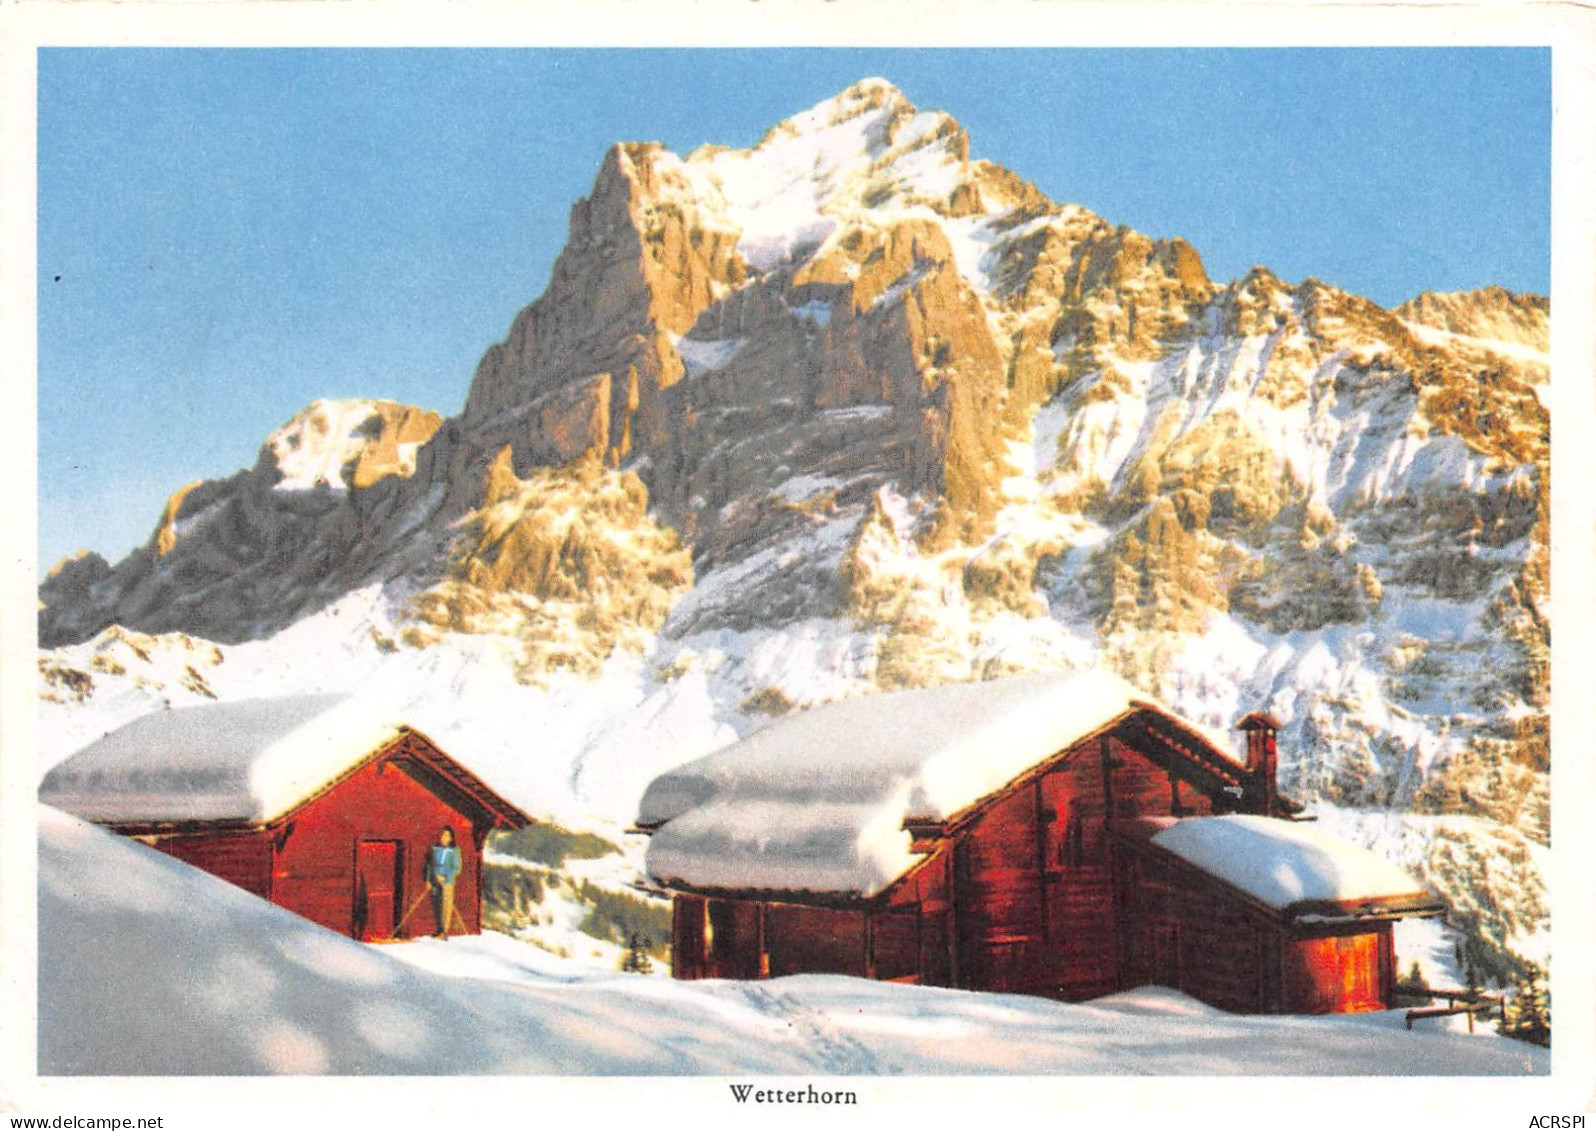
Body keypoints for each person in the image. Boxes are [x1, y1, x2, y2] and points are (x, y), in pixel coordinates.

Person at [425, 828, 462, 940]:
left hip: (447, 882)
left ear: (451, 838)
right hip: (435, 880)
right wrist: (428, 880)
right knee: (437, 904)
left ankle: (444, 931)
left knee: (446, 906)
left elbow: (457, 868)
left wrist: (446, 877)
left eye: (447, 836)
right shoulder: (435, 849)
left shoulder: (454, 851)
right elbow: (429, 865)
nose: (444, 838)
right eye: (443, 835)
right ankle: (438, 929)